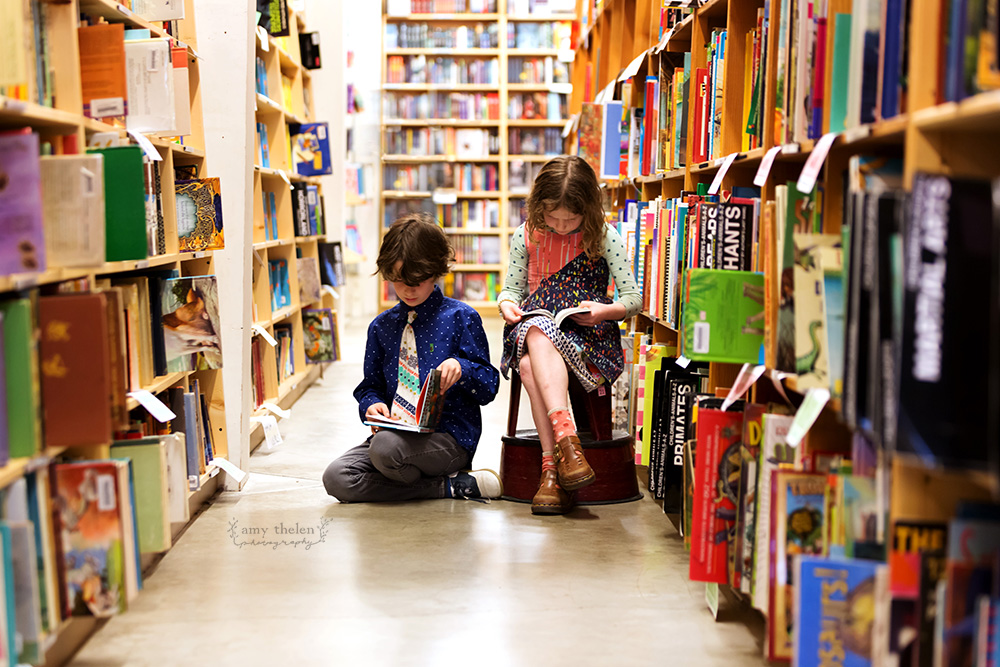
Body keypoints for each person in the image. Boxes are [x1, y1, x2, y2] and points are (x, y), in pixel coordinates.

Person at [323, 214, 502, 503]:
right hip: (396, 436)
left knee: (384, 451)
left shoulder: (461, 318)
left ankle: (417, 476)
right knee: (337, 477)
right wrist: (373, 405)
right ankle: (451, 487)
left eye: (417, 280)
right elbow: (370, 386)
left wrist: (462, 367)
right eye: (398, 280)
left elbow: (489, 386)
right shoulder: (382, 327)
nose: (408, 289)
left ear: (436, 270)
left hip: (448, 439)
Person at [498, 155, 641, 515]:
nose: (561, 226)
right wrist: (506, 305)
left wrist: (603, 312)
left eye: (571, 218)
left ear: (588, 210)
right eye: (552, 217)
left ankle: (550, 470)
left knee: (530, 364)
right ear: (537, 207)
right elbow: (511, 290)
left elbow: (633, 298)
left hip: (588, 338)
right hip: (535, 325)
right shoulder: (526, 235)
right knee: (534, 327)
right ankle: (568, 444)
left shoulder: (604, 236)